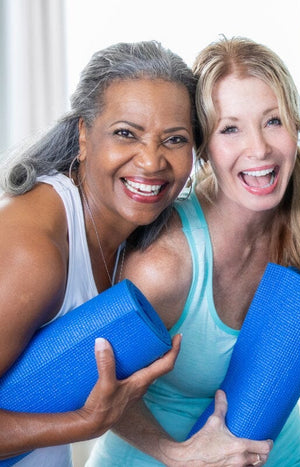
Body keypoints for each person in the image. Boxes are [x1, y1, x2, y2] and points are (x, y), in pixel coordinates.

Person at [86, 37, 300, 467]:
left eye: (273, 121)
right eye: (231, 128)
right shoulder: (166, 264)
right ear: (203, 148)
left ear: (296, 127)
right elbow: (96, 389)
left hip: (278, 451)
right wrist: (179, 455)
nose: (259, 149)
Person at [0, 41, 196, 465]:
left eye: (175, 139)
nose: (150, 161)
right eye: (126, 133)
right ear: (84, 135)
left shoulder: (128, 232)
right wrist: (85, 423)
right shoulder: (31, 253)